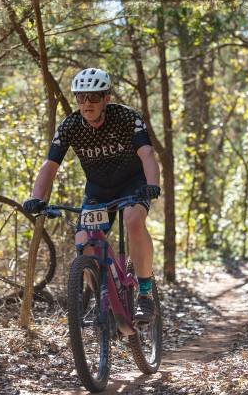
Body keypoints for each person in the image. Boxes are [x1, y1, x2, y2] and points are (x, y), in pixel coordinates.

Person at [22, 68, 161, 322]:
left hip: (133, 184)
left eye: (94, 97)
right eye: (81, 97)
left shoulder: (127, 117)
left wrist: (152, 184)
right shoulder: (71, 126)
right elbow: (50, 165)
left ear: (106, 98)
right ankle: (104, 298)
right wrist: (36, 197)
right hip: (98, 190)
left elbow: (147, 154)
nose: (87, 103)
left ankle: (144, 294)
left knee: (133, 220)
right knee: (84, 241)